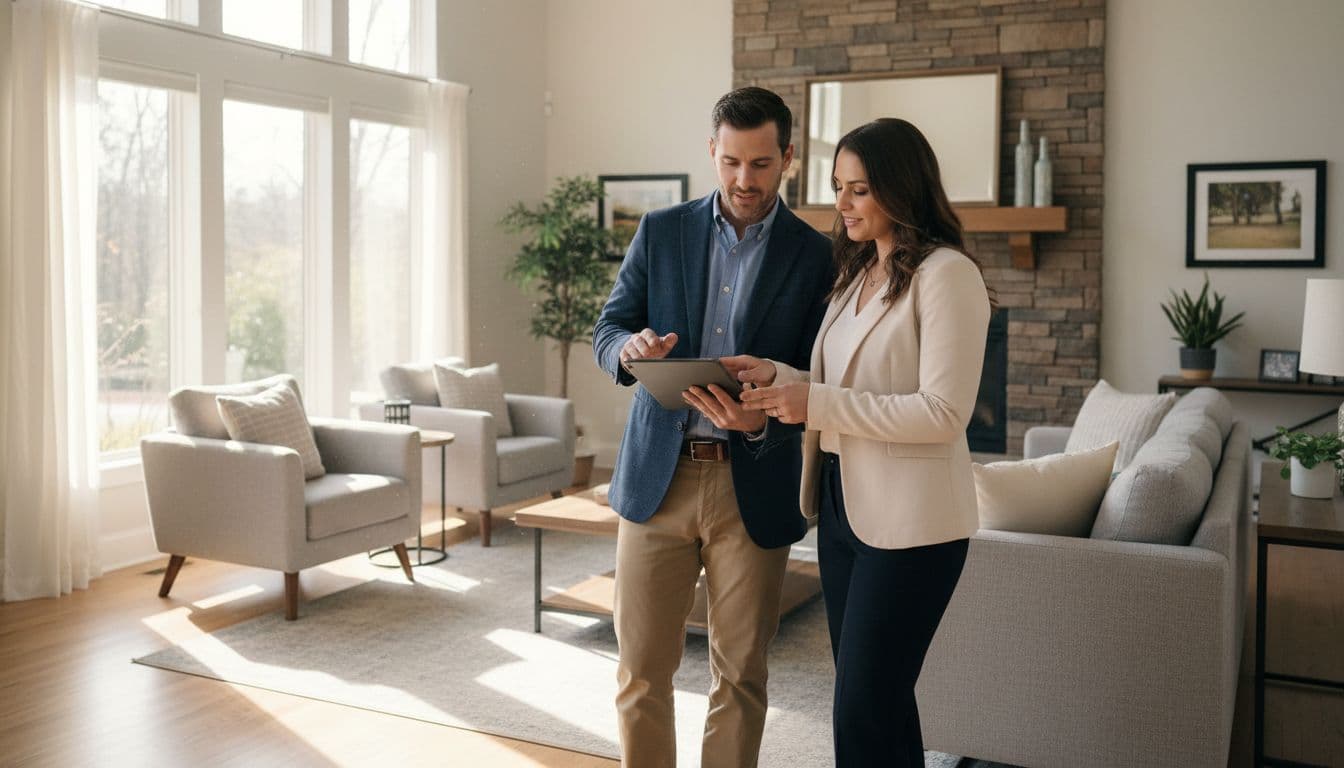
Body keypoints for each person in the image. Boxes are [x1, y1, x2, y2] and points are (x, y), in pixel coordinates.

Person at [732, 117, 992, 767]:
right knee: (879, 701)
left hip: (913, 524)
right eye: (837, 187)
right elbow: (841, 382)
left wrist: (813, 401)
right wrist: (779, 379)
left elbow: (943, 412)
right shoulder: (856, 274)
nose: (841, 204)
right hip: (842, 505)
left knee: (861, 705)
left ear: (901, 190)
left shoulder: (946, 274)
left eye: (859, 190)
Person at [592, 86, 834, 768]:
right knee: (640, 670)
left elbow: (819, 378)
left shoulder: (816, 255)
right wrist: (628, 351)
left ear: (787, 157)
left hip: (752, 482)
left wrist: (762, 417)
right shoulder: (661, 231)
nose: (743, 180)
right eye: (730, 162)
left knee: (741, 674)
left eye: (760, 165)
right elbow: (608, 327)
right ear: (712, 151)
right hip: (655, 480)